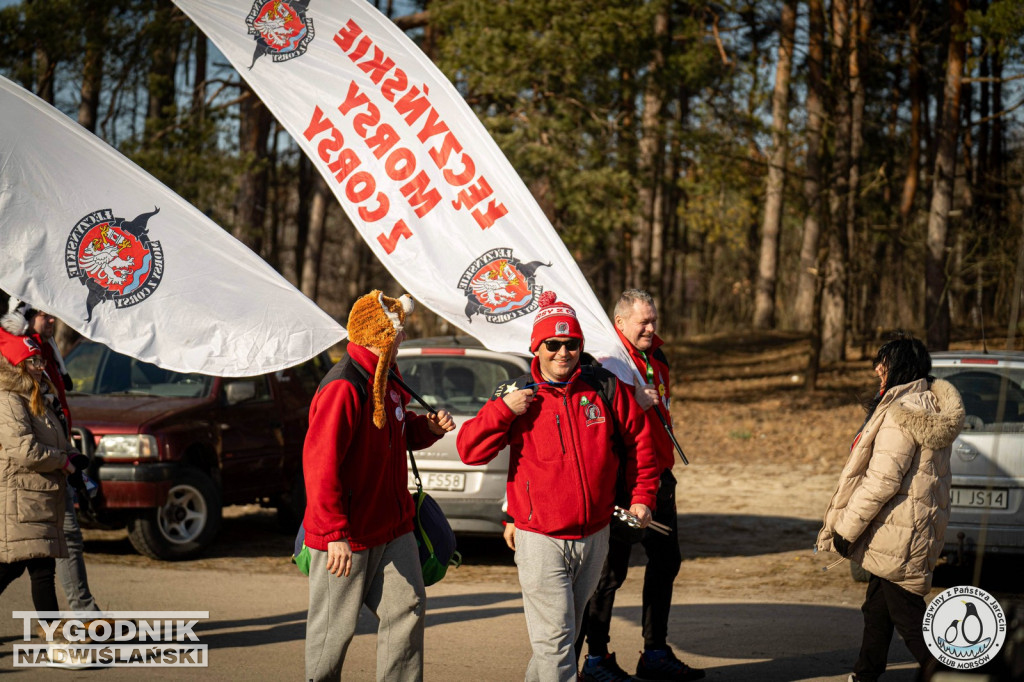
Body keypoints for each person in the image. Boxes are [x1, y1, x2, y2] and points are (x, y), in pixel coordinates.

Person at [458, 290, 660, 682]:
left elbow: (640, 443)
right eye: (553, 344)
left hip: (595, 535)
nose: (563, 353)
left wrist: (642, 498)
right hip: (540, 537)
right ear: (537, 346)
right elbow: (469, 450)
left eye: (571, 344)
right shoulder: (517, 394)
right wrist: (504, 411)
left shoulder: (604, 387)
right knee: (555, 640)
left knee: (561, 643)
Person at [302, 290, 455, 682]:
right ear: (381, 334)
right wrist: (334, 531)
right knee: (333, 633)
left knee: (407, 610)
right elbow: (320, 465)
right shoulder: (343, 385)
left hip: (393, 525)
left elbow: (395, 434)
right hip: (347, 535)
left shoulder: (388, 376)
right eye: (399, 330)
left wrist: (428, 429)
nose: (404, 336)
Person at [817, 332, 964, 682]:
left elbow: (882, 481)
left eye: (882, 365)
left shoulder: (903, 414)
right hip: (911, 528)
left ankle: (951, 674)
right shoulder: (929, 406)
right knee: (877, 609)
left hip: (898, 533)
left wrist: (846, 530)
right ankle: (865, 674)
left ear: (897, 367)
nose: (877, 372)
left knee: (910, 619)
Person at [579, 289, 703, 681]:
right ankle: (596, 659)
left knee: (667, 562)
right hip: (621, 483)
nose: (651, 328)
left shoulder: (657, 357)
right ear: (619, 324)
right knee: (609, 574)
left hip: (659, 476)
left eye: (653, 320)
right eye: (642, 322)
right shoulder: (602, 363)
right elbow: (595, 421)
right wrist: (633, 402)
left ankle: (654, 651)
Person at [2, 298, 102, 616]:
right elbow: (22, 446)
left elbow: (52, 418)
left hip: (48, 477)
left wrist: (72, 457)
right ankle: (81, 619)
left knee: (35, 564)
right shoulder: (13, 385)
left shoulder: (42, 359)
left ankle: (74, 624)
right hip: (26, 483)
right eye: (47, 315)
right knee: (42, 558)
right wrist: (63, 460)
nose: (53, 322)